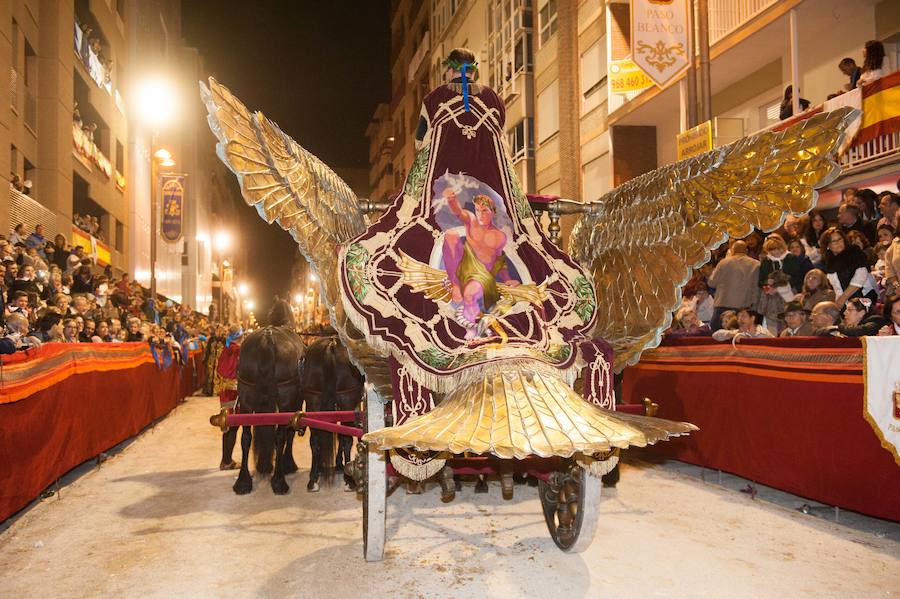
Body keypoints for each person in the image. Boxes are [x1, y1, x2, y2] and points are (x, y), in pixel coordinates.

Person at [707, 240, 760, 331]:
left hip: (722, 305)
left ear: (732, 251)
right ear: (746, 251)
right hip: (744, 307)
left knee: (716, 335)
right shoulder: (756, 264)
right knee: (741, 336)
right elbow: (757, 288)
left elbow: (711, 282)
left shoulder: (724, 262)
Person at [820, 226, 877, 307]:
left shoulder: (854, 252)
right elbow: (837, 288)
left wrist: (843, 297)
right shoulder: (830, 262)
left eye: (840, 239)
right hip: (845, 303)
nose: (838, 242)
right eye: (833, 241)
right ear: (828, 245)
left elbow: (861, 276)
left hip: (864, 297)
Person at [216, 324, 243, 470]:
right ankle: (226, 461)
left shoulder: (227, 348)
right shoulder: (236, 349)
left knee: (229, 426)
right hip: (232, 392)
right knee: (231, 426)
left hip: (226, 392)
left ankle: (227, 459)